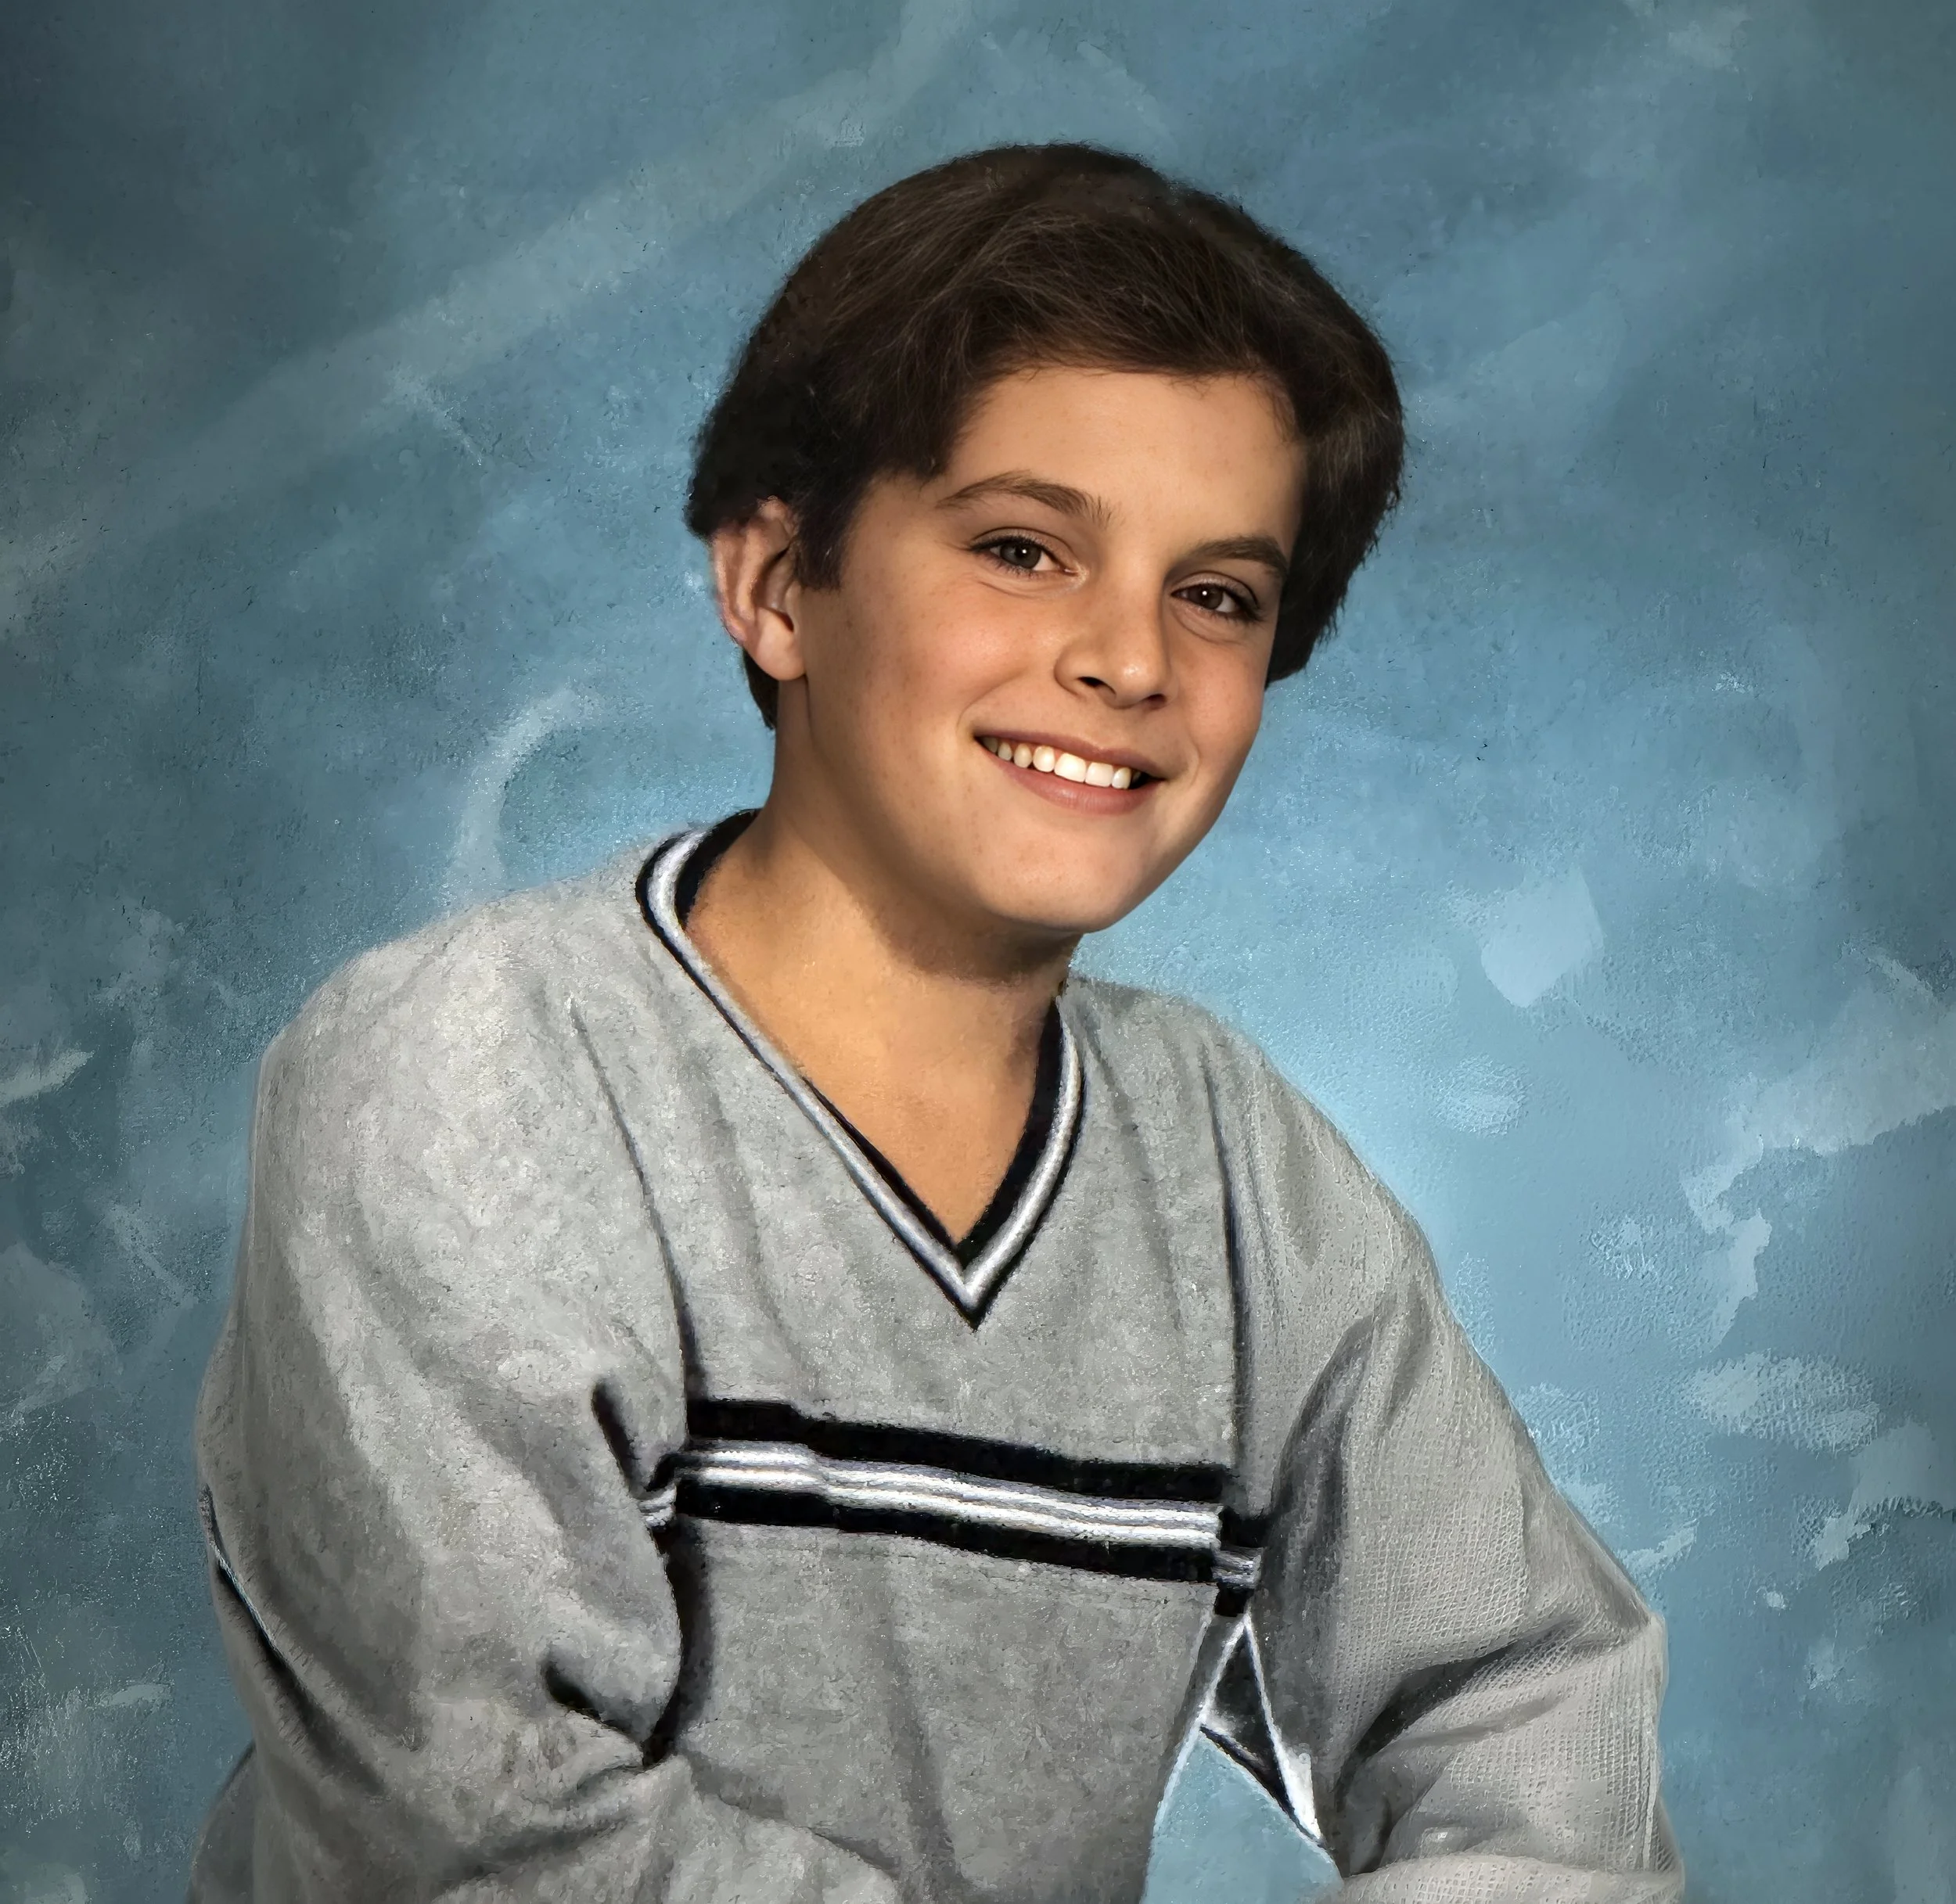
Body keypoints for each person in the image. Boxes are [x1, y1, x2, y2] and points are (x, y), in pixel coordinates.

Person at [188, 144, 1684, 1903]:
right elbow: (476, 1829)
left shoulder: (1230, 1165)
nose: (1126, 656)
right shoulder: (464, 1069)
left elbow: (1521, 1707)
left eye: (1215, 593)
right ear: (773, 585)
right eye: (1021, 547)